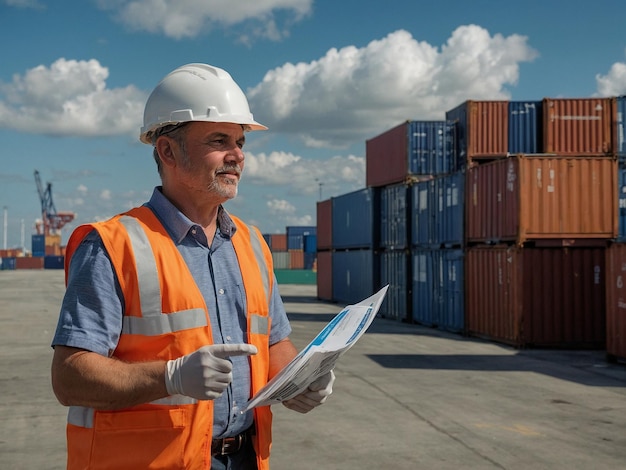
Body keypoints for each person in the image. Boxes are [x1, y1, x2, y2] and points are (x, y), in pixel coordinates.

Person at [50, 63, 335, 470]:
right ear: (167, 151)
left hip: (245, 457)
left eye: (240, 141)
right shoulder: (113, 246)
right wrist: (170, 377)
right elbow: (69, 377)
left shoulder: (252, 244)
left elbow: (273, 344)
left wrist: (300, 380)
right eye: (219, 140)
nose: (237, 155)